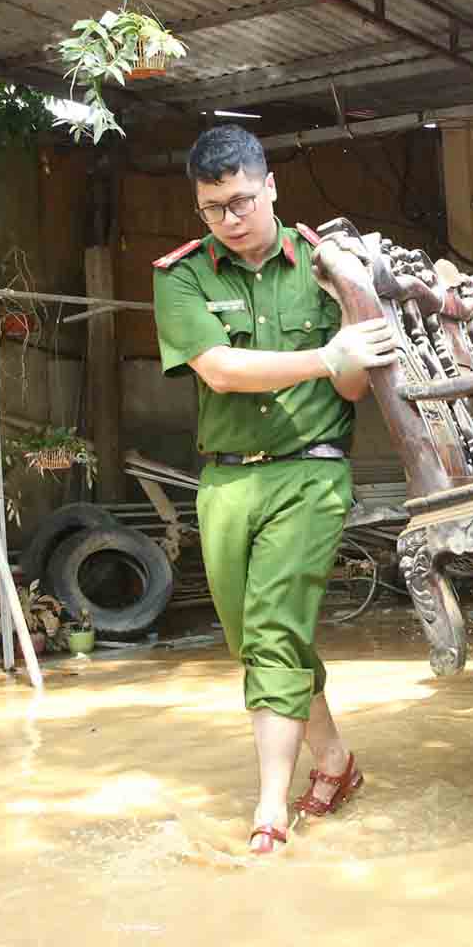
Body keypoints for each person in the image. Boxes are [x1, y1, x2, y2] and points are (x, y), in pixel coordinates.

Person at [152, 125, 399, 856]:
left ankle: (268, 811)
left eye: (241, 201)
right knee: (253, 639)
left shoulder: (327, 264)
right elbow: (219, 369)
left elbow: (353, 385)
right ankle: (336, 760)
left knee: (272, 631)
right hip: (226, 478)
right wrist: (327, 355)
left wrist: (352, 343)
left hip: (311, 470)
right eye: (213, 207)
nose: (229, 218)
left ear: (271, 187)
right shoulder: (182, 275)